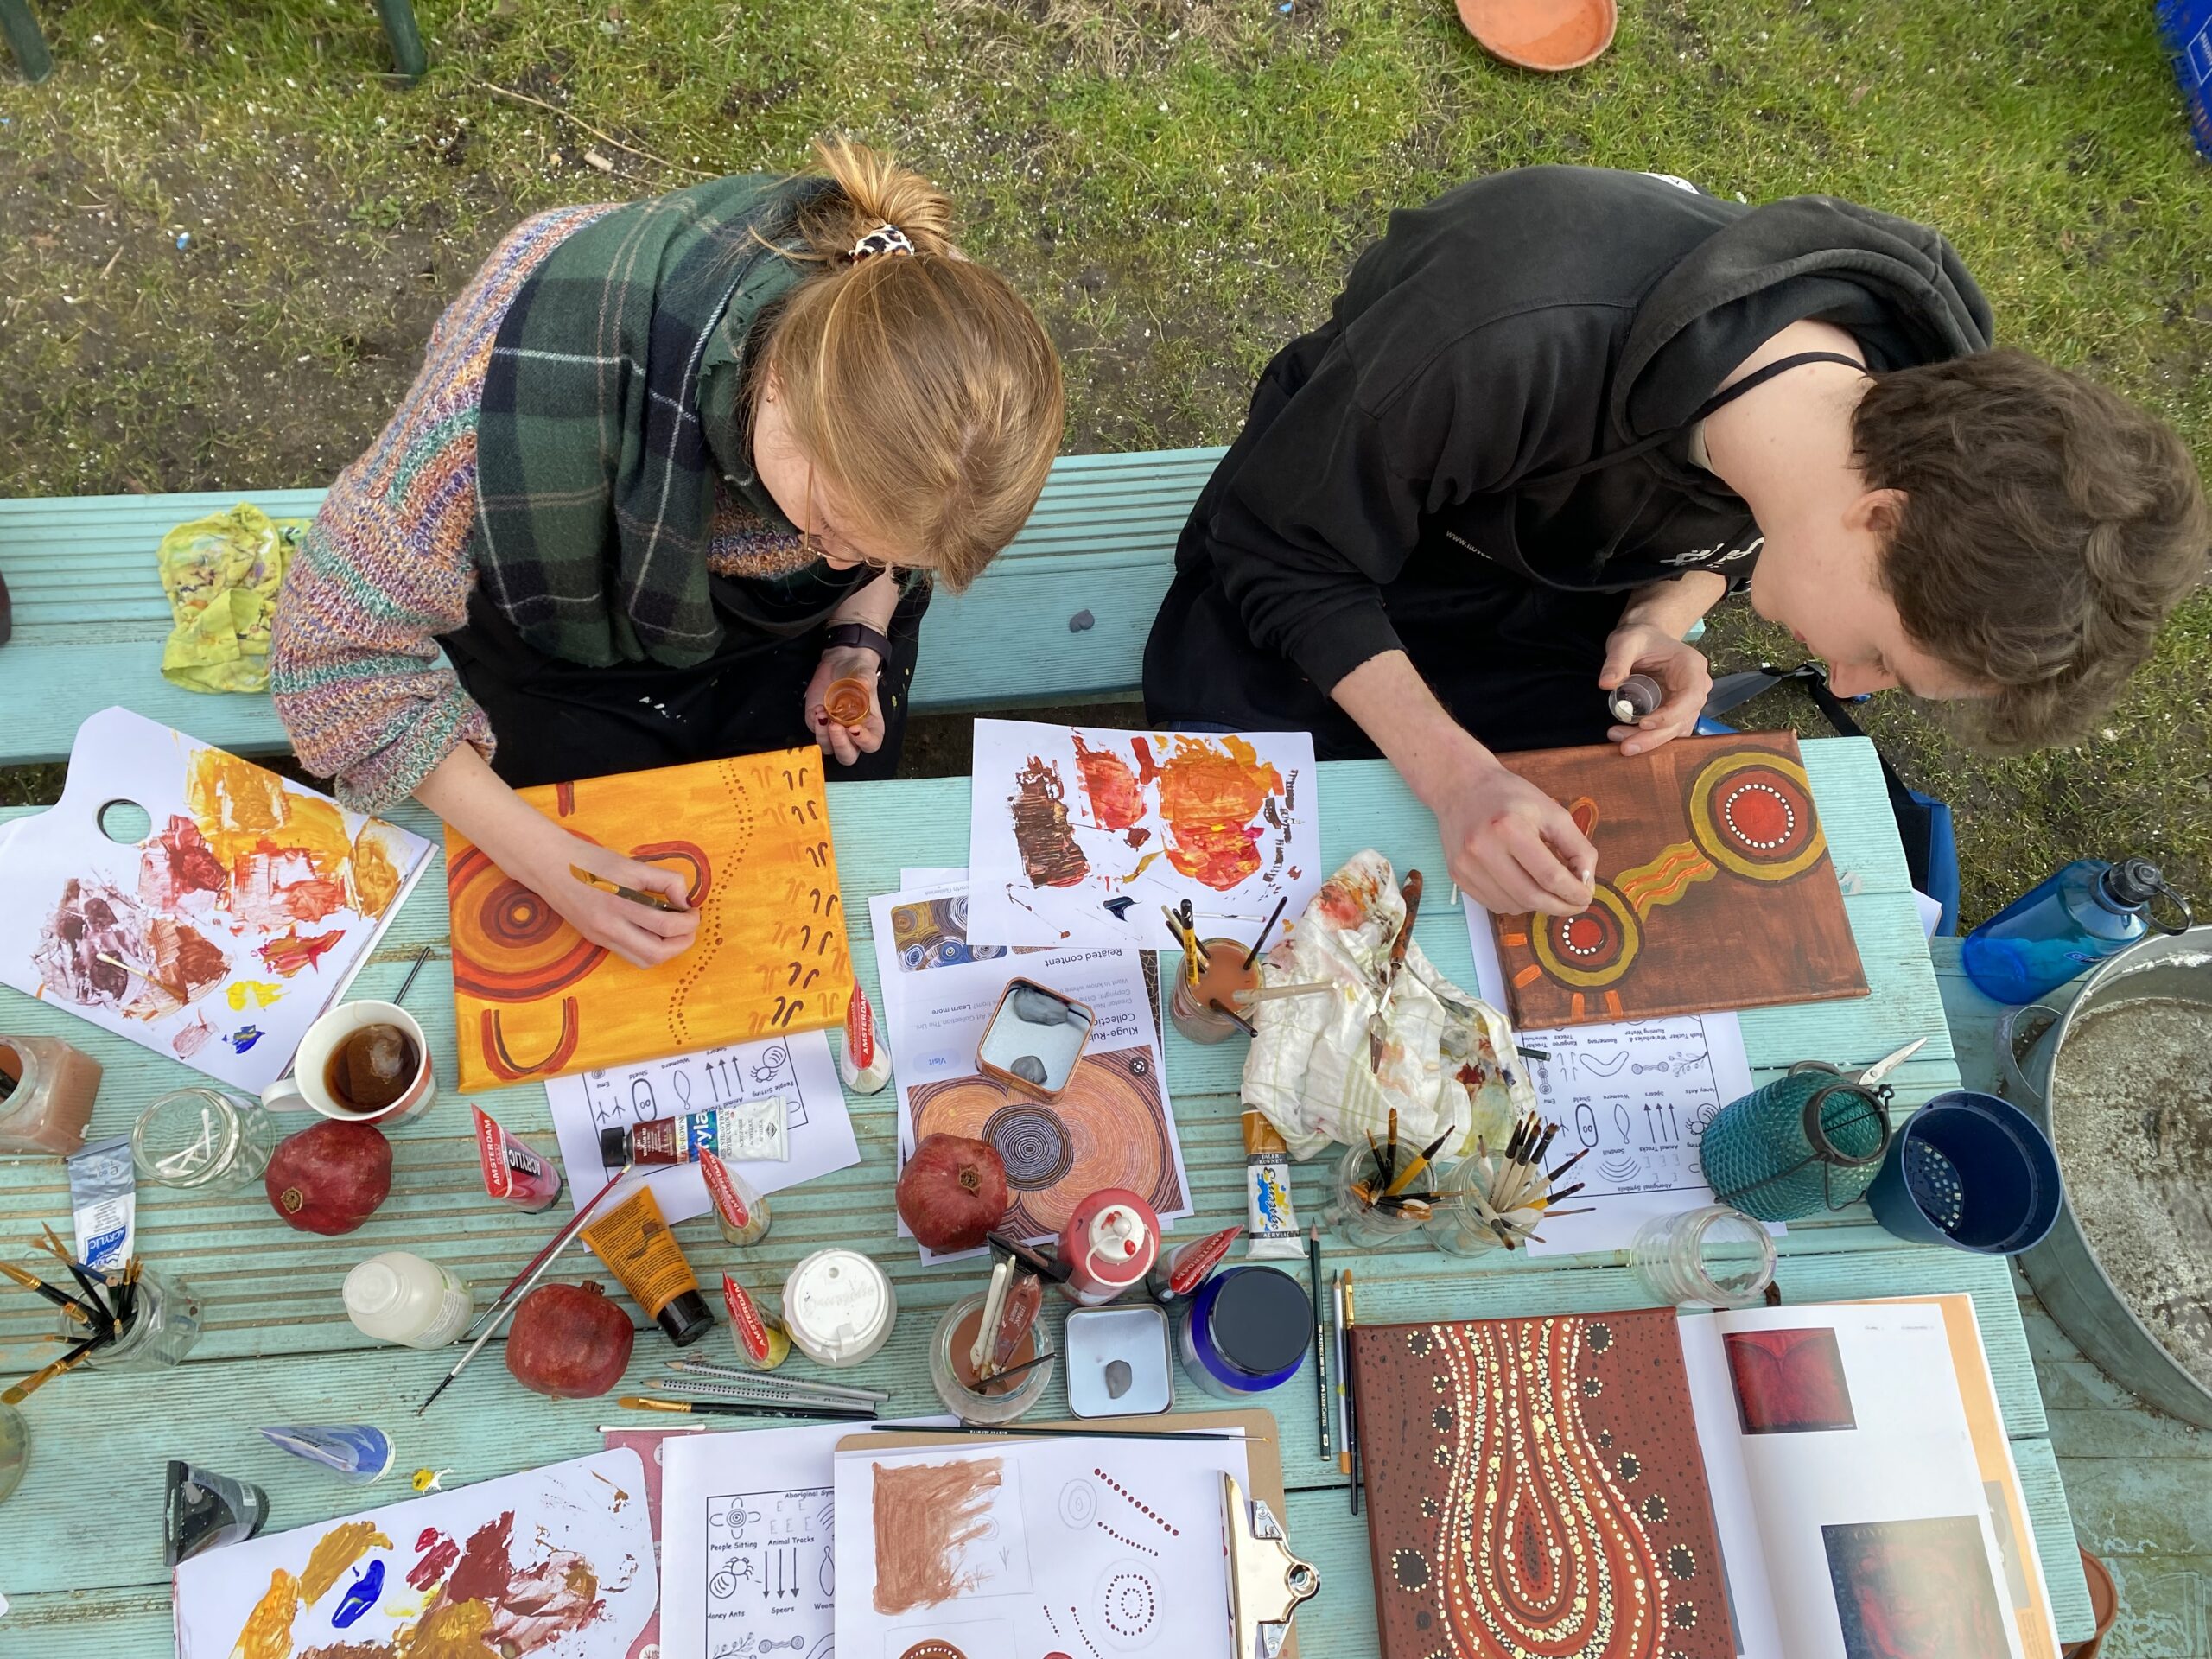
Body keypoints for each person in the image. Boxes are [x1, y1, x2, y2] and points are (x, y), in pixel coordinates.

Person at [1143, 167, 2207, 918]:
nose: (1843, 682)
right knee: (1251, 864)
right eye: (1881, 654)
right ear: (1881, 517)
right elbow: (1277, 551)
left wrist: (1665, 604)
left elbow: (1741, 531)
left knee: (1602, 869)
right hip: (1334, 550)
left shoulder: (1892, 419)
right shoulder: (1500, 339)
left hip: (1546, 589)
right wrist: (1455, 779)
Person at [272, 139, 1063, 968]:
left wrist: (857, 633)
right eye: (831, 523)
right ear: (780, 387)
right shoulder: (493, 406)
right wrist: (553, 866)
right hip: (562, 620)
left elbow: (881, 551)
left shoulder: (930, 326)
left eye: (876, 551)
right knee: (608, 844)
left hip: (743, 622)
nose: (840, 563)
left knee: (815, 840)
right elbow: (330, 656)